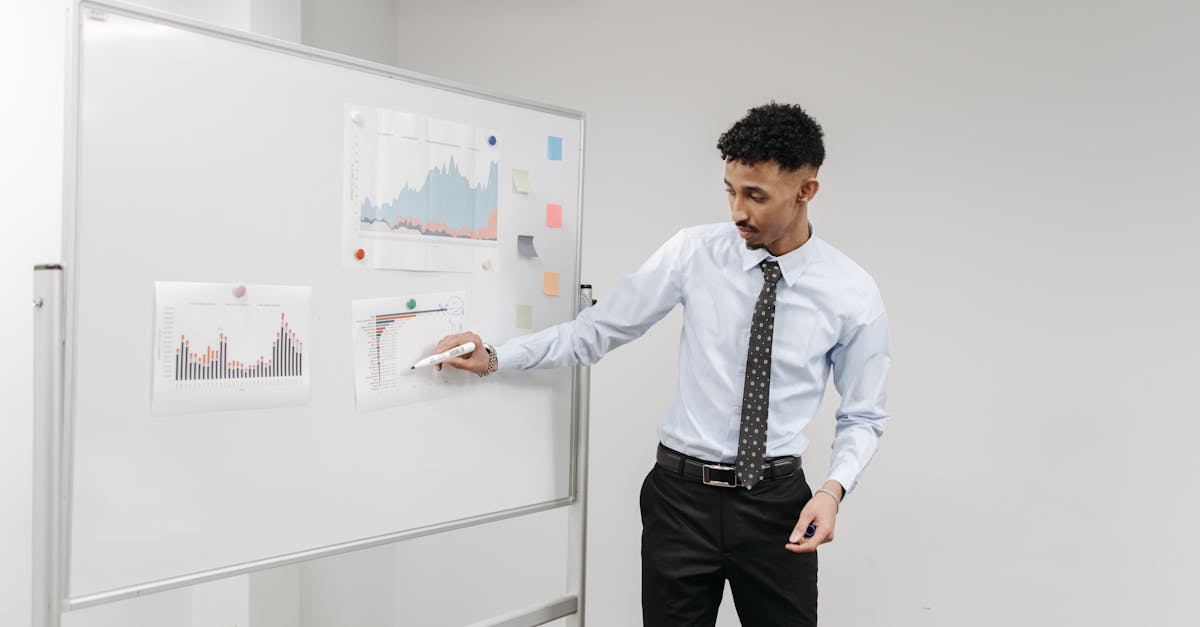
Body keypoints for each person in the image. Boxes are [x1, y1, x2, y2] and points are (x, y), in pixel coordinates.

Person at [436, 102, 891, 627]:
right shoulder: (693, 253)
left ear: (806, 191)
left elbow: (863, 414)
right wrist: (495, 356)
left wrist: (833, 491)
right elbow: (597, 331)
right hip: (680, 503)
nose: (738, 211)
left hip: (777, 506)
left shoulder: (851, 291)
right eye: (730, 190)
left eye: (756, 195)